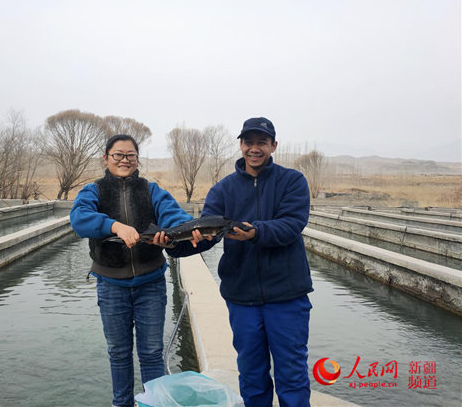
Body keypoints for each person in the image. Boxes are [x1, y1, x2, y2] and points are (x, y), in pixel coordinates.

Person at [69, 134, 204, 407]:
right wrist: (115, 226)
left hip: (151, 284)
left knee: (152, 352)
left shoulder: (151, 190)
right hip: (110, 286)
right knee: (118, 352)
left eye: (130, 155)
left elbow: (171, 214)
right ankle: (122, 403)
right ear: (106, 159)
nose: (124, 160)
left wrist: (181, 230)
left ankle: (154, 403)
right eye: (118, 155)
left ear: (137, 159)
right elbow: (79, 219)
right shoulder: (92, 191)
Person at [198, 117, 313, 407]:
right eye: (248, 142)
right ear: (241, 145)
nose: (254, 148)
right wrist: (175, 243)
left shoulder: (292, 181)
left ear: (273, 145)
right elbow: (206, 233)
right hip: (242, 296)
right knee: (251, 374)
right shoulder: (223, 189)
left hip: (287, 296)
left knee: (292, 375)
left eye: (262, 142)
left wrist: (255, 233)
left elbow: (291, 225)